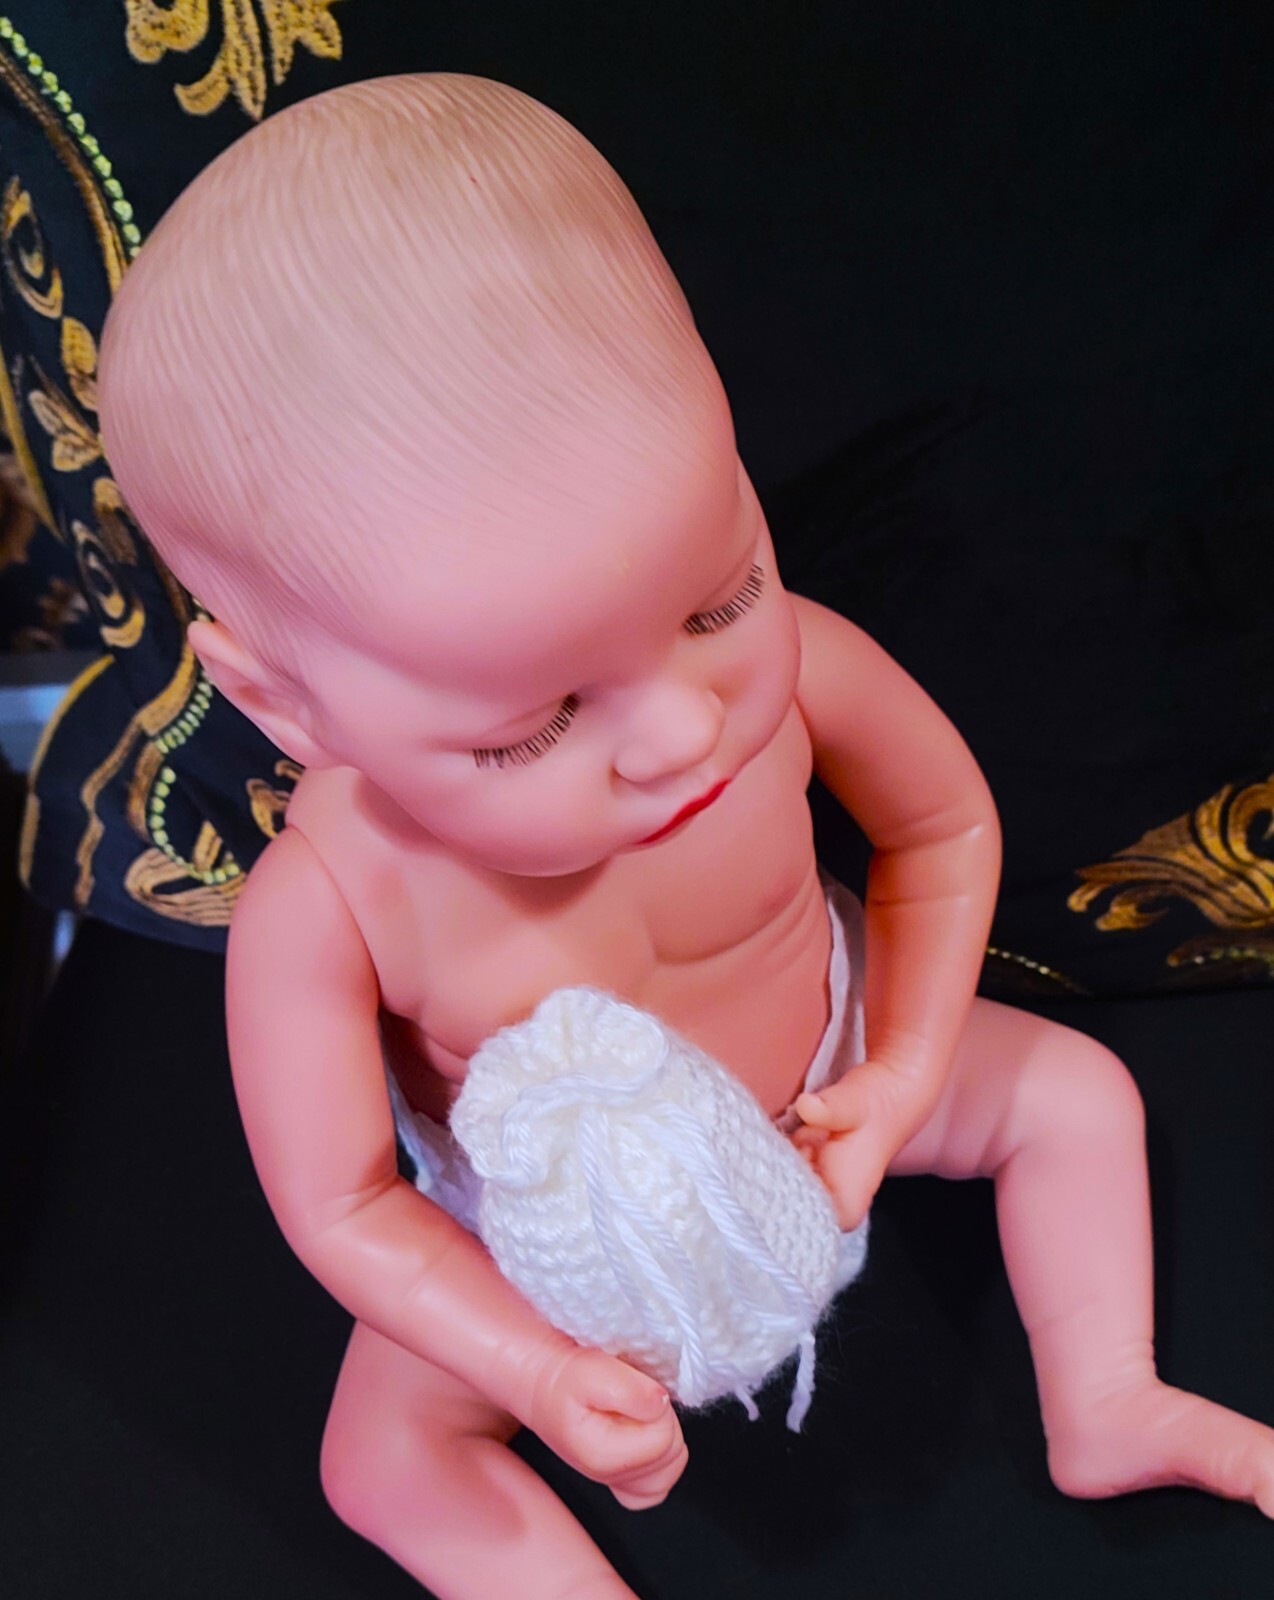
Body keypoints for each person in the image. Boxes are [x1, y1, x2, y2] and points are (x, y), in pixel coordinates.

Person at [96, 73, 1274, 1600]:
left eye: (720, 599)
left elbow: (938, 827)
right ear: (285, 703)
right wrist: (530, 1363)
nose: (682, 731)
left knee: (1072, 1097)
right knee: (383, 1461)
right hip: (552, 1239)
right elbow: (343, 1204)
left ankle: (1107, 1398)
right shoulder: (333, 904)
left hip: (831, 1076)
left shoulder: (795, 675)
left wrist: (901, 1067)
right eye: (531, 726)